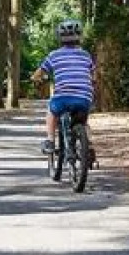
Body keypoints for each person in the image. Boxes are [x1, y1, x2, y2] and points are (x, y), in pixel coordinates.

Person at [32, 20, 96, 162]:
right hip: (84, 98)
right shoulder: (85, 55)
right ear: (79, 36)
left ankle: (50, 140)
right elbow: (93, 75)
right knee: (83, 123)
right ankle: (89, 146)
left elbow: (39, 73)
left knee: (52, 110)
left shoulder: (54, 55)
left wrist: (35, 78)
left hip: (63, 98)